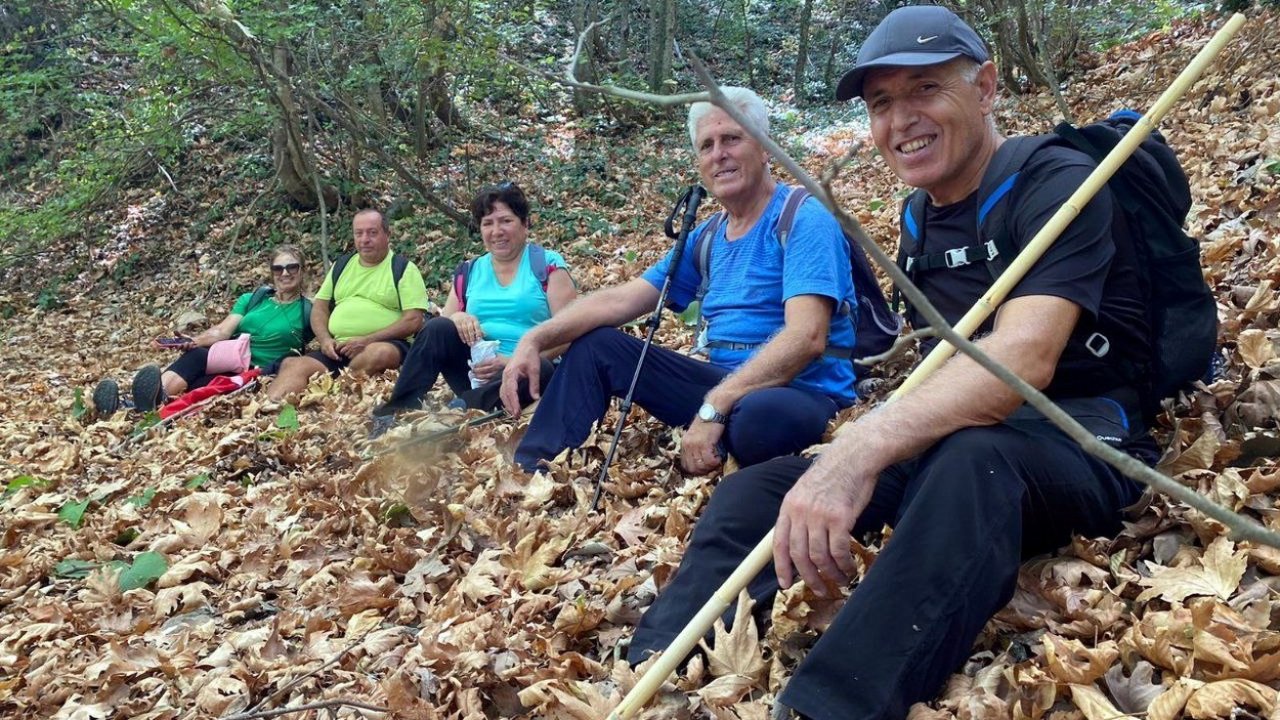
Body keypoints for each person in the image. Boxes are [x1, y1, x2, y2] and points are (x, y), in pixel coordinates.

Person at [628, 7, 1157, 720]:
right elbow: (942, 368)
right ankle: (655, 667)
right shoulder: (917, 221)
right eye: (882, 103)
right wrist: (845, 462)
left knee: (972, 462)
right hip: (959, 440)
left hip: (1079, 438)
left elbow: (1023, 357)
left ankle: (830, 705)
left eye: (926, 89)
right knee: (754, 492)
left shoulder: (1055, 184)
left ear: (987, 87)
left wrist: (864, 446)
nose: (901, 119)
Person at [499, 87, 858, 475]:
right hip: (723, 385)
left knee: (760, 419)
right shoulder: (707, 235)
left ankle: (724, 434)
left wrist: (715, 405)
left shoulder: (803, 218)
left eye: (732, 139)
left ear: (765, 147)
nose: (718, 154)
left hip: (797, 391)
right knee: (597, 345)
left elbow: (807, 336)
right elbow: (620, 300)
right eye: (707, 145)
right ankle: (532, 468)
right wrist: (534, 339)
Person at [369, 182, 577, 429]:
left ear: (525, 223)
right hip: (475, 371)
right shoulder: (469, 271)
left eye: (505, 221)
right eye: (488, 223)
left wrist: (515, 360)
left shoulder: (547, 265)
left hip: (528, 370)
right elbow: (441, 326)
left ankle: (461, 410)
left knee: (541, 369)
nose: (496, 231)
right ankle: (397, 411)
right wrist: (458, 318)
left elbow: (569, 330)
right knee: (437, 328)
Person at [92, 245, 314, 414]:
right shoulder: (253, 299)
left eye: (292, 267)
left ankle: (138, 406)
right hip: (229, 358)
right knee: (196, 355)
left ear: (302, 270)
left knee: (202, 385)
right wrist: (195, 340)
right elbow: (222, 331)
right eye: (278, 268)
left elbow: (326, 336)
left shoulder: (309, 309)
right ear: (272, 272)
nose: (285, 273)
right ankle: (145, 401)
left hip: (260, 370)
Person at [267, 209, 430, 401]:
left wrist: (367, 340)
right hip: (339, 349)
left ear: (387, 235)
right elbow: (319, 307)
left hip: (385, 344)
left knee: (379, 353)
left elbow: (413, 320)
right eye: (359, 233)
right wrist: (325, 340)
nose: (364, 239)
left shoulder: (403, 269)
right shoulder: (342, 266)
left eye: (372, 232)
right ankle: (269, 411)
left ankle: (337, 394)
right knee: (293, 365)